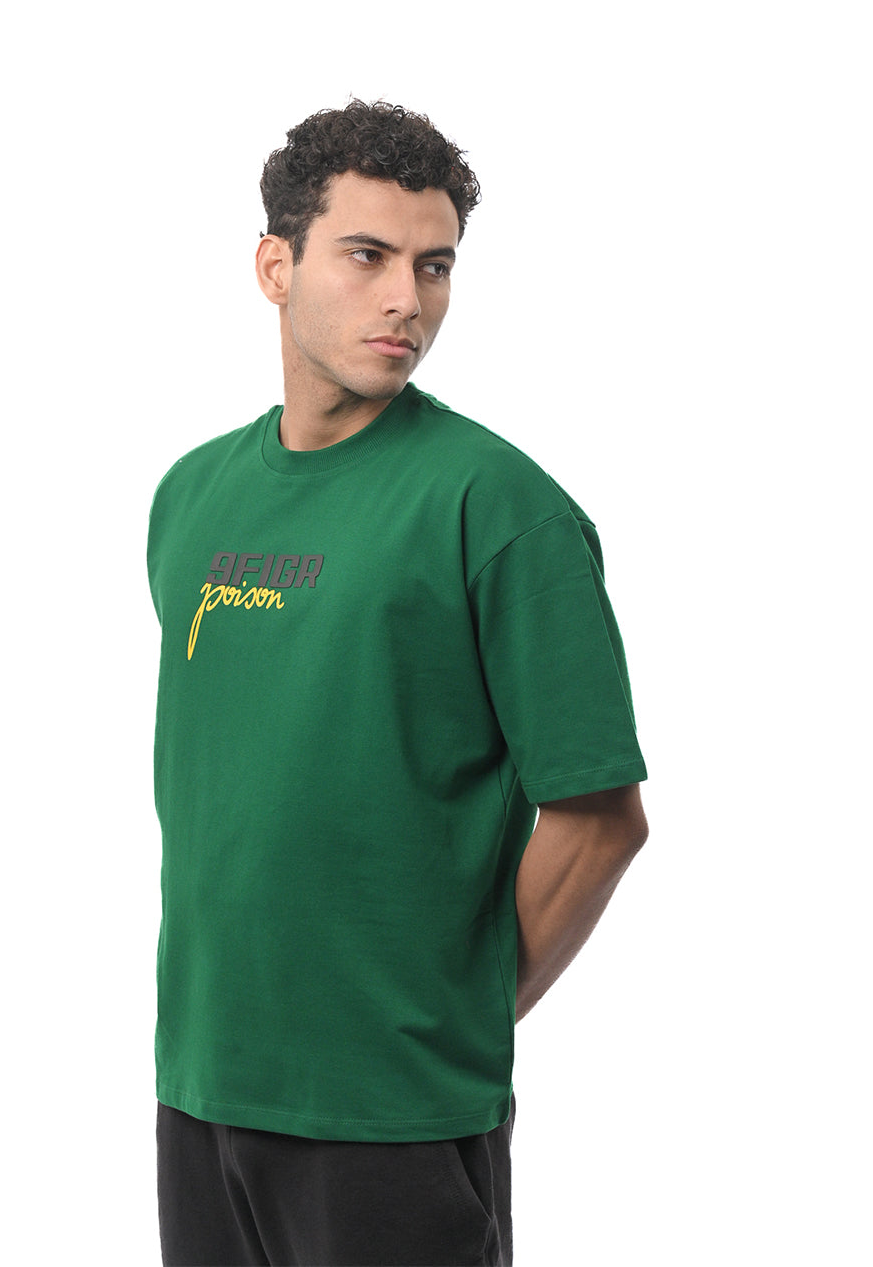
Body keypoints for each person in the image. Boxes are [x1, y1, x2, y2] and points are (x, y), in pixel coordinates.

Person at [147, 99, 648, 1267]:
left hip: (394, 1117)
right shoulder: (191, 497)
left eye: (435, 266)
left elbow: (600, 819)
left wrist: (449, 1014)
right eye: (366, 256)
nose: (406, 300)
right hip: (202, 1088)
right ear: (275, 267)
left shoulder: (501, 508)